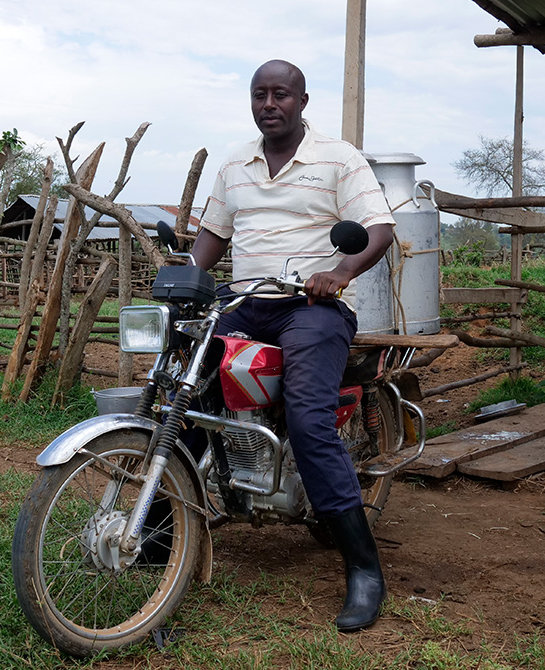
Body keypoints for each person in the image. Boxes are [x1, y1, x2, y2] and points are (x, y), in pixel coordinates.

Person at [188, 59, 395, 632]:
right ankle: (163, 529)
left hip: (312, 306)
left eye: (281, 94)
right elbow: (214, 234)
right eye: (260, 94)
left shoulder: (337, 156)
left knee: (308, 417)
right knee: (180, 392)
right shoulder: (235, 161)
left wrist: (342, 272)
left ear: (303, 101)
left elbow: (377, 229)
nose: (269, 103)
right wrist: (184, 277)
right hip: (245, 300)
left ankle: (363, 569)